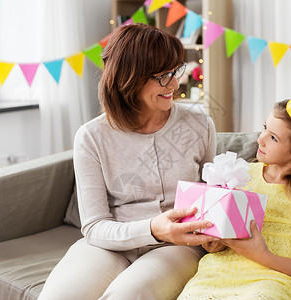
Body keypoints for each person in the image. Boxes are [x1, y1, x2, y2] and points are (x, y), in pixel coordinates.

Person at [38, 24, 218, 300]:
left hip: (176, 246)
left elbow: (214, 197)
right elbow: (95, 226)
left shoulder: (199, 125)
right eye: (162, 76)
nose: (174, 84)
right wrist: (151, 229)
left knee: (129, 295)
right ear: (129, 79)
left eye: (176, 70)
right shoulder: (91, 137)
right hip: (110, 244)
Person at [178, 68, 291, 300]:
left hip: (272, 277)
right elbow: (221, 238)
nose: (260, 139)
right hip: (218, 271)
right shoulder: (239, 174)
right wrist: (213, 242)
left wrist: (262, 256)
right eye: (264, 128)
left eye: (273, 137)